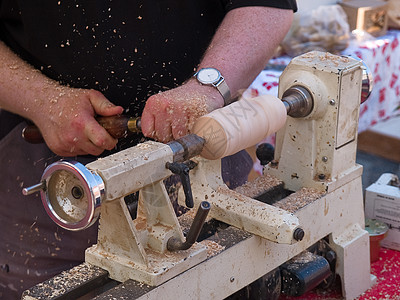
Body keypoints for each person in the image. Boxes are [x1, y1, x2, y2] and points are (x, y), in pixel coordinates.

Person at [0, 1, 297, 298]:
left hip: (199, 148)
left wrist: (205, 88)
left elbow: (267, 6)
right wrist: (42, 101)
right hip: (49, 171)